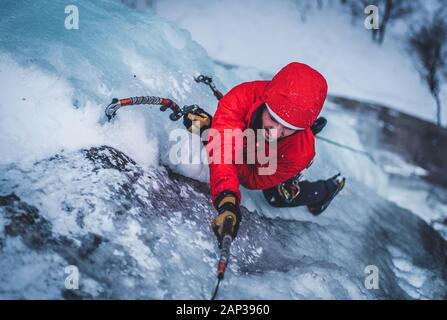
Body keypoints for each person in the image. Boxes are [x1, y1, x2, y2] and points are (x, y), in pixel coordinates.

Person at [183, 62, 345, 246]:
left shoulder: (301, 153)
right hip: (260, 141)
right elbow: (223, 153)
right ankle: (304, 127)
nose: (274, 133)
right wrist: (227, 200)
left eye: (289, 127)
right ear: (265, 102)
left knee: (276, 197)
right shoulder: (242, 98)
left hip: (279, 156)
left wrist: (210, 133)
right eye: (273, 119)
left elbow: (251, 179)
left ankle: (325, 191)